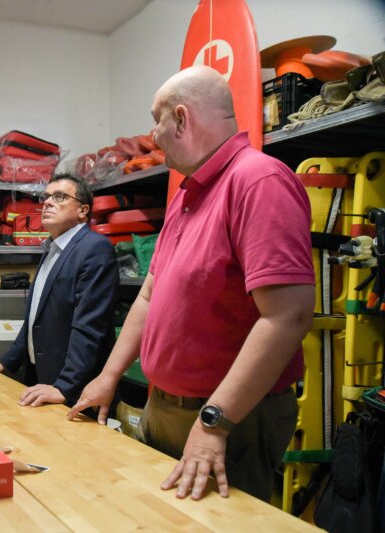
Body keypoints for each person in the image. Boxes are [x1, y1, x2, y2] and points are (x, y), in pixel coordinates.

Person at [68, 66, 315, 503]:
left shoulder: (258, 181)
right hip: (166, 406)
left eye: (157, 120)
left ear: (181, 119)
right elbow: (149, 294)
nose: (153, 134)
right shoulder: (189, 191)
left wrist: (214, 422)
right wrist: (108, 375)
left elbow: (287, 316)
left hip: (226, 420)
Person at [0, 174, 119, 407]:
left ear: (83, 210)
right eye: (45, 198)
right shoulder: (53, 248)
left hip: (74, 389)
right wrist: (6, 363)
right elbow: (35, 318)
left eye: (60, 197)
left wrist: (64, 386)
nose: (47, 203)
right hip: (43, 379)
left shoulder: (95, 249)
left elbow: (90, 326)